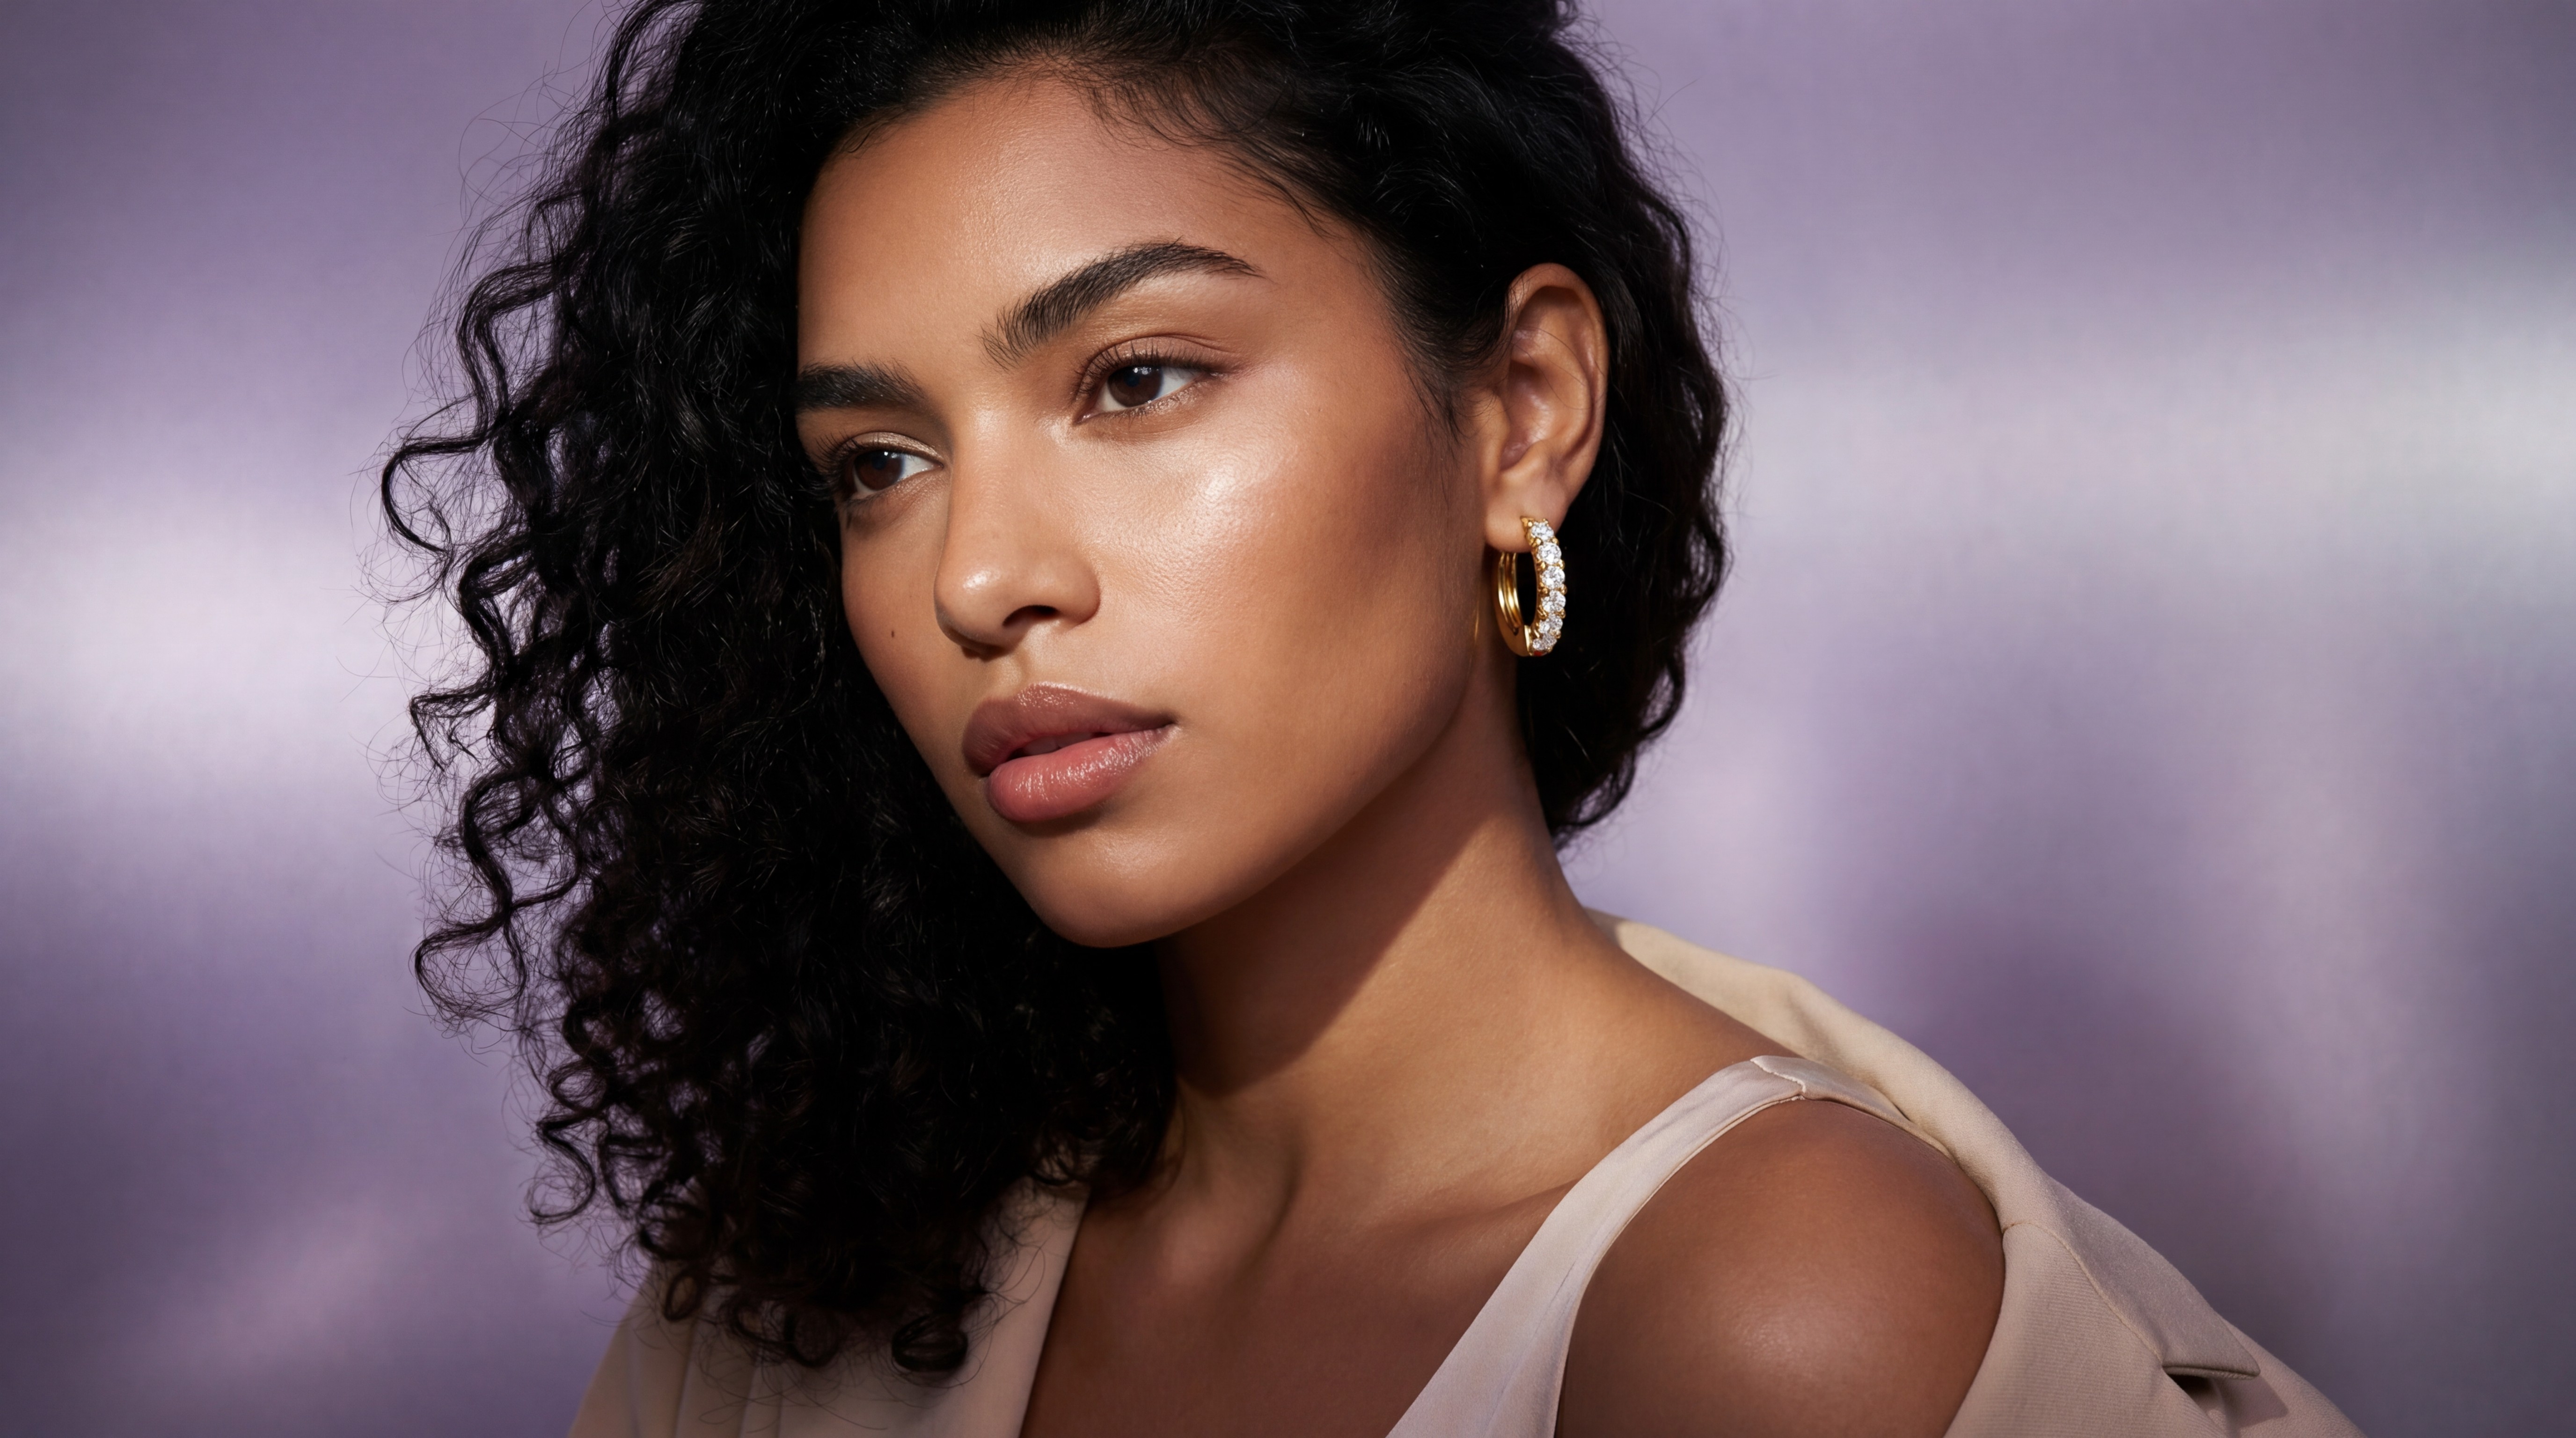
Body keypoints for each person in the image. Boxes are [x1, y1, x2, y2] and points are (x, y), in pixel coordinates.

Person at [383, 1, 2363, 1433]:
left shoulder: (1775, 1316)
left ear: (1517, 414)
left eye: (1136, 379)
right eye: (877, 463)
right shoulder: (829, 1260)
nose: (977, 574)